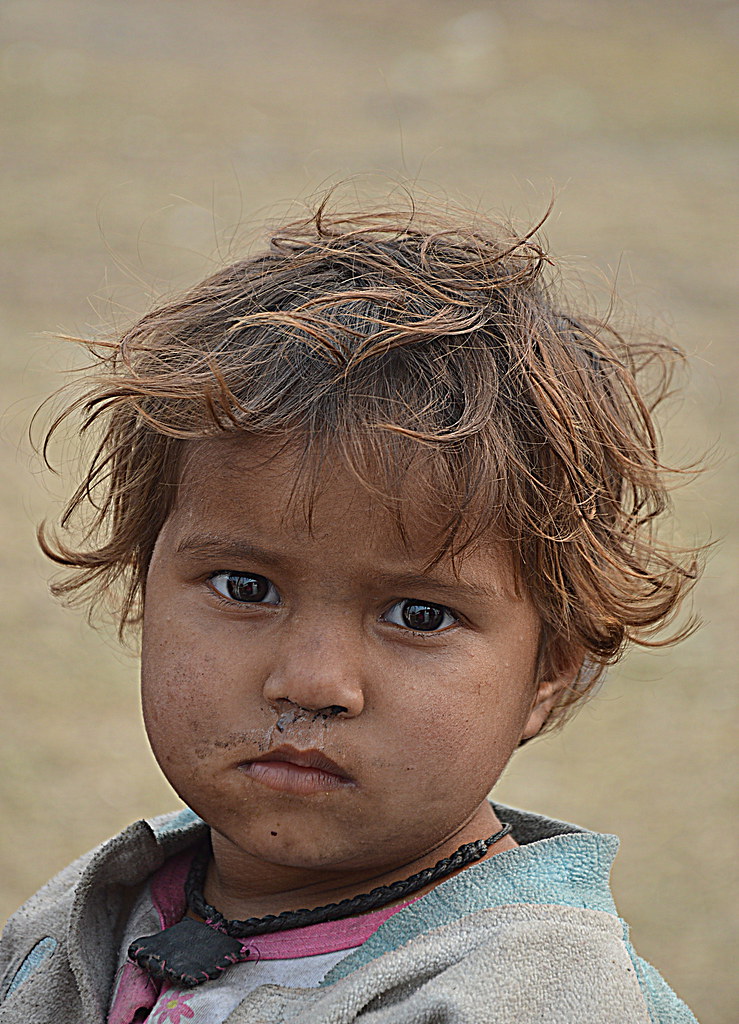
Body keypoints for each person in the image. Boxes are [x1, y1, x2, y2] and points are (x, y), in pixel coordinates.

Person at [0, 197, 701, 1023]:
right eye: (246, 588)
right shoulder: (91, 915)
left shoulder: (529, 999)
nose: (313, 683)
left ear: (548, 673)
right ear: (141, 586)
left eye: (418, 616)